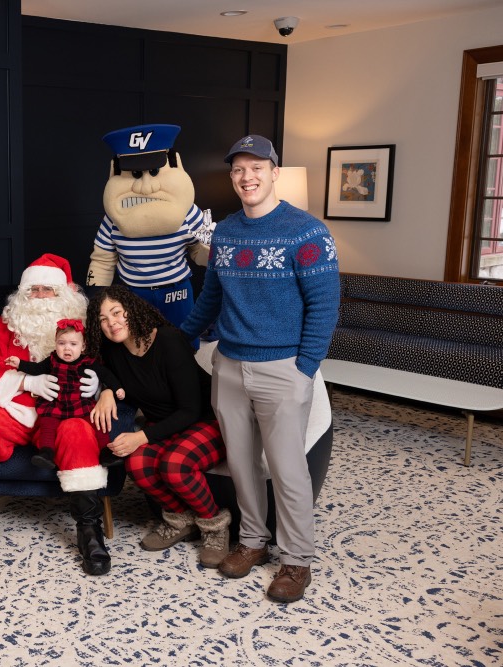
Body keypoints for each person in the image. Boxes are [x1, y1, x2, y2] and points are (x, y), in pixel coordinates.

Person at [178, 135, 340, 603]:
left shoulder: (306, 232)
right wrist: (182, 334)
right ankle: (252, 541)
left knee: (287, 469)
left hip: (283, 367)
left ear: (274, 173)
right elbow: (212, 295)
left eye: (256, 168)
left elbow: (324, 304)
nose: (246, 177)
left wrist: (305, 368)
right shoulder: (225, 232)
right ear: (232, 178)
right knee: (242, 463)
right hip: (229, 363)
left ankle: (295, 560)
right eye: (238, 171)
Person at [0, 254, 114, 576]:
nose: (39, 297)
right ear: (22, 294)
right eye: (32, 290)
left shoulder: (86, 326)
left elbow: (112, 365)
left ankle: (89, 530)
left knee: (78, 435)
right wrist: (25, 379)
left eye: (47, 290)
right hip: (16, 408)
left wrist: (100, 385)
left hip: (68, 412)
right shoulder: (4, 326)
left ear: (64, 293)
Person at [86, 284, 232, 568]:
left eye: (116, 312)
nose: (112, 323)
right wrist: (106, 389)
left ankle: (215, 528)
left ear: (132, 310)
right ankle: (181, 521)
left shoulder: (168, 340)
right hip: (165, 426)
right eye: (103, 319)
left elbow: (189, 410)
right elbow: (104, 371)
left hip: (206, 421)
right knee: (137, 464)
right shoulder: (114, 351)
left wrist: (141, 436)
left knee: (174, 465)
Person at [86, 124, 210, 346]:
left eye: (154, 171)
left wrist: (212, 249)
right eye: (135, 173)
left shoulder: (188, 212)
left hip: (176, 291)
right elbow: (103, 260)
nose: (146, 186)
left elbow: (198, 251)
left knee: (183, 342)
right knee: (138, 344)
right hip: (133, 293)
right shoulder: (113, 219)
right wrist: (97, 301)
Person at [5, 318, 125, 470]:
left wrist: (117, 388)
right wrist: (20, 364)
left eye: (73, 344)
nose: (67, 349)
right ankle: (46, 452)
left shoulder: (88, 362)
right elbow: (36, 368)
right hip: (56, 402)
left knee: (97, 421)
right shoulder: (53, 360)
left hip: (79, 402)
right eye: (62, 343)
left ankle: (105, 452)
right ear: (56, 344)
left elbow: (106, 374)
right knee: (47, 422)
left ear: (83, 346)